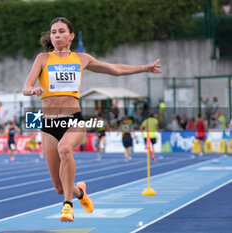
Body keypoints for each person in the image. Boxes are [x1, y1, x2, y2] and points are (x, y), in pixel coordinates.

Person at [22, 17, 161, 222]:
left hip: (74, 120)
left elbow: (115, 69)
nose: (57, 36)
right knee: (60, 187)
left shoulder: (81, 59)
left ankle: (68, 207)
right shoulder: (42, 58)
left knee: (65, 149)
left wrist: (143, 68)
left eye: (61, 31)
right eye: (53, 32)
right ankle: (80, 193)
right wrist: (32, 90)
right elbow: (25, 87)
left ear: (71, 36)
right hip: (49, 124)